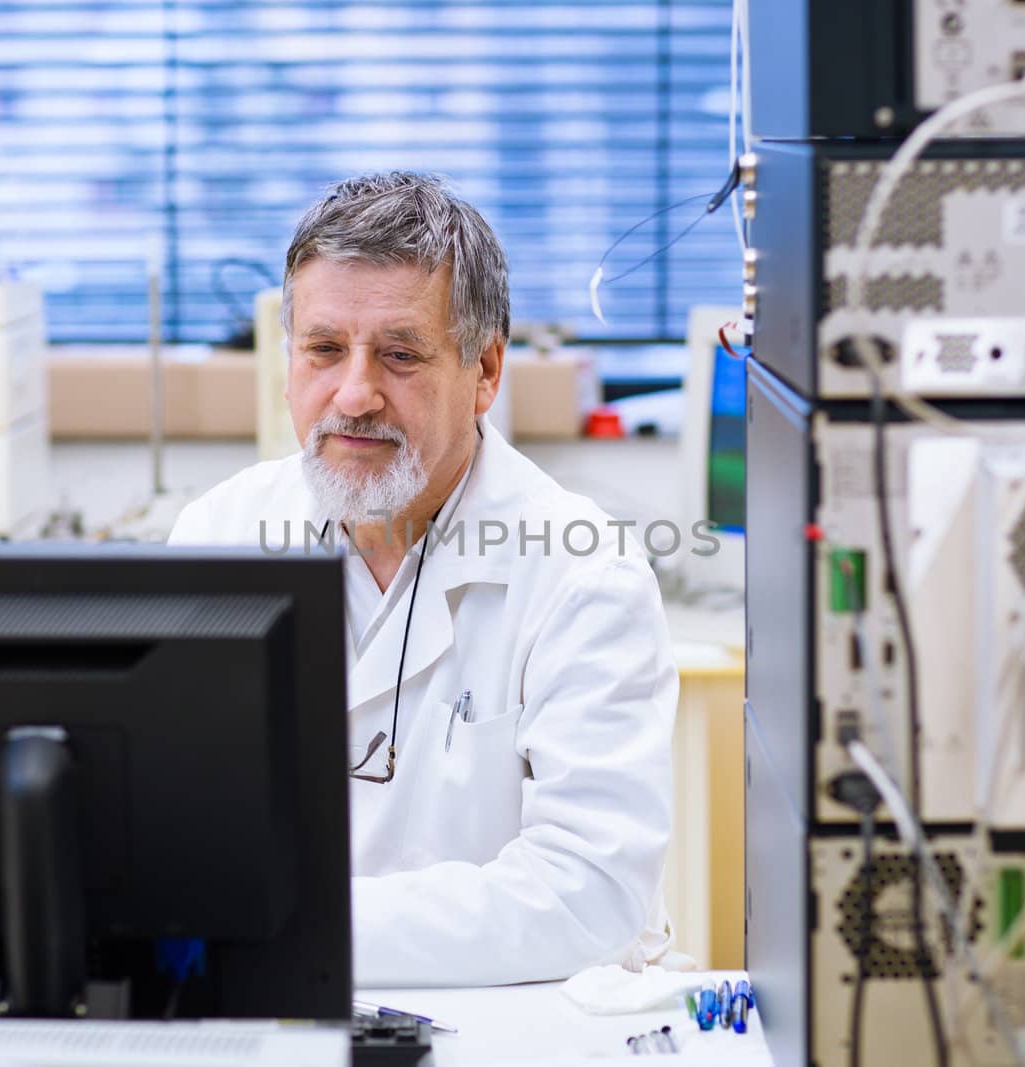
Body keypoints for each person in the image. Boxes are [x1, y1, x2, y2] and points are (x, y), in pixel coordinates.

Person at [169, 172, 678, 987]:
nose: (355, 392)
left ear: (485, 371)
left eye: (400, 355)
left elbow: (589, 893)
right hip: (272, 1009)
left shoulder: (584, 573)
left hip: (513, 1022)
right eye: (325, 350)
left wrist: (296, 924)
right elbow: (167, 831)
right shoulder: (217, 537)